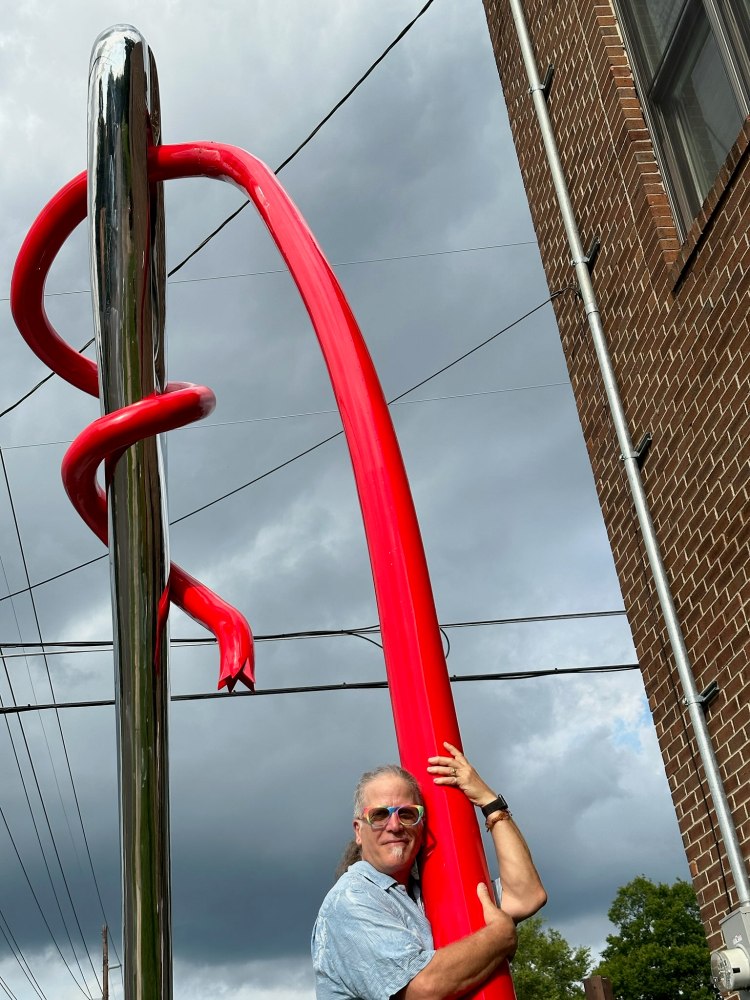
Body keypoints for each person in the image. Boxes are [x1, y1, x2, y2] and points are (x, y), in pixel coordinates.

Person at [312, 741, 546, 1000]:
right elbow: (422, 989)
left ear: (422, 826)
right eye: (379, 815)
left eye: (407, 814)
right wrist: (500, 936)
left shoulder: (427, 891)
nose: (394, 826)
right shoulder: (352, 898)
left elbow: (527, 895)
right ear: (358, 830)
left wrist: (489, 803)